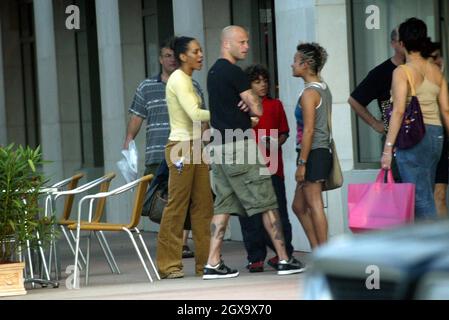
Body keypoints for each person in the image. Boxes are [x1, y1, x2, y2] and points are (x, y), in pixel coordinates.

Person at [203, 25, 305, 280]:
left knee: (223, 205)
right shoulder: (235, 72)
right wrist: (250, 108)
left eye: (247, 41)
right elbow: (258, 108)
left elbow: (232, 110)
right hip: (240, 147)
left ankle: (212, 262)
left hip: (220, 146)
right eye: (242, 42)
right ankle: (284, 258)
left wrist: (245, 110)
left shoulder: (213, 72)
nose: (247, 46)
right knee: (266, 201)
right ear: (227, 44)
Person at [123, 39, 196, 259]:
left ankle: (181, 244)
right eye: (167, 55)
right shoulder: (146, 87)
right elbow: (137, 116)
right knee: (160, 202)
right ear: (160, 59)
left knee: (187, 199)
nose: (171, 59)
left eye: (174, 55)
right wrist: (128, 138)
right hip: (157, 153)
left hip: (185, 151)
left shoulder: (191, 84)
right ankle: (168, 242)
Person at [156, 36, 213, 279]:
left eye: (201, 50)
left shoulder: (187, 80)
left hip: (195, 146)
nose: (200, 55)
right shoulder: (179, 79)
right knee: (176, 208)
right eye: (195, 51)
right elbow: (194, 113)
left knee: (204, 207)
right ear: (182, 56)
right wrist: (224, 111)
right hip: (181, 147)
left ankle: (205, 265)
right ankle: (169, 266)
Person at [381, 18, 449, 220]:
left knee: (420, 199)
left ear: (401, 43)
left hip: (413, 137)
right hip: (436, 135)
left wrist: (388, 148)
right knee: (426, 191)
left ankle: (434, 248)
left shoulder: (402, 72)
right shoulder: (436, 71)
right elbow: (445, 109)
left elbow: (399, 110)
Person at [239, 64, 298, 272]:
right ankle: (255, 258)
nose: (263, 85)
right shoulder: (241, 107)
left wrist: (275, 144)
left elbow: (284, 132)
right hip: (247, 166)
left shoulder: (275, 105)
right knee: (250, 216)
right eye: (257, 81)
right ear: (249, 85)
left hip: (272, 167)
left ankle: (284, 254)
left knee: (278, 212)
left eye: (265, 81)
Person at [348, 28, 405, 181]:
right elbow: (354, 100)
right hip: (395, 140)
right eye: (402, 41)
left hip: (420, 137)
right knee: (398, 190)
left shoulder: (418, 68)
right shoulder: (381, 72)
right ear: (393, 43)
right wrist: (374, 123)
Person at [291, 42, 333, 249]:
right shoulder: (322, 88)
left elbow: (308, 130)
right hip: (318, 151)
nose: (292, 65)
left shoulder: (310, 93)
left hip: (313, 153)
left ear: (305, 65)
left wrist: (302, 163)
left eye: (295, 61)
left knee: (314, 204)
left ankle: (325, 256)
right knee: (298, 206)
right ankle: (318, 251)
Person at [428, 42, 448, 218]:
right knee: (434, 196)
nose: (438, 61)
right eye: (433, 57)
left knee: (438, 195)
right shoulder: (420, 88)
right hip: (429, 145)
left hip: (445, 144)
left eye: (439, 56)